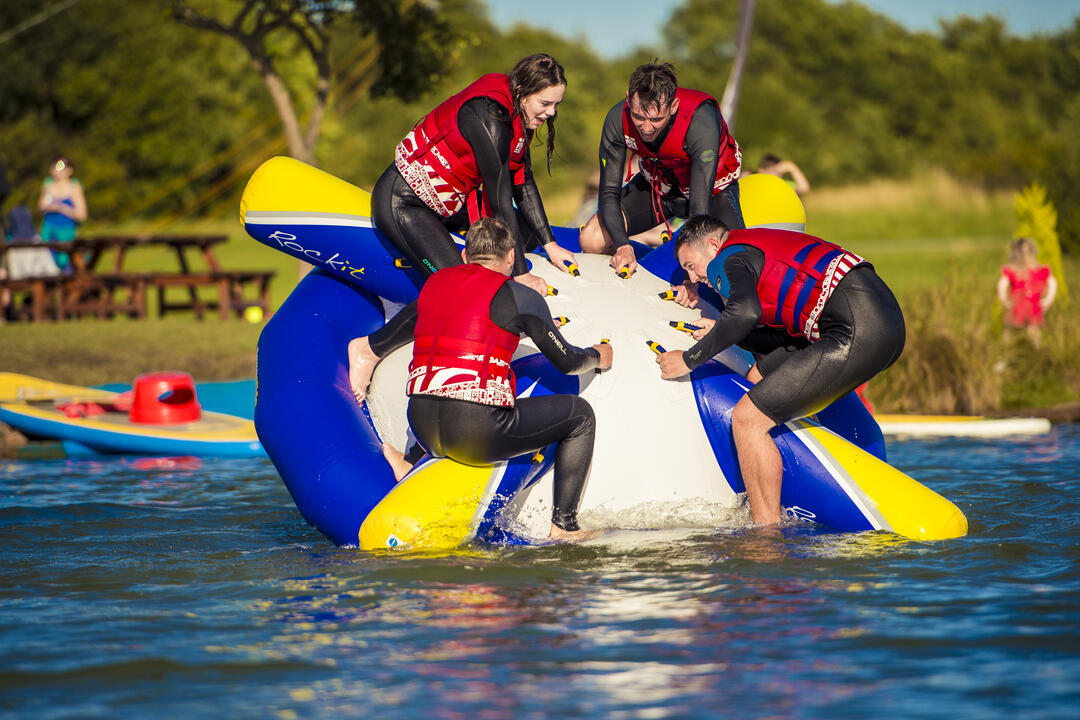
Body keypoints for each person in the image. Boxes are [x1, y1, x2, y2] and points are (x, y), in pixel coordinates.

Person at [348, 217, 613, 542]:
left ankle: (412, 461)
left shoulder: (433, 285)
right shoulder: (520, 297)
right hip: (476, 433)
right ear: (511, 257)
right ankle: (565, 527)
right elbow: (567, 361)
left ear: (465, 256)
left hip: (422, 428)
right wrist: (598, 354)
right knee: (580, 415)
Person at [655, 215, 905, 525]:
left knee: (747, 420)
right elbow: (772, 334)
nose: (693, 278)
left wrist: (689, 359)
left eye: (691, 265)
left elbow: (745, 312)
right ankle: (872, 496)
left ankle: (766, 536)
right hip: (884, 323)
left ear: (711, 244)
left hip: (856, 328)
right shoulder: (752, 251)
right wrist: (721, 328)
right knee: (757, 378)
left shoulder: (726, 258)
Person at [373, 53, 576, 296]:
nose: (552, 113)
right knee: (463, 289)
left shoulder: (520, 114)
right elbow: (500, 200)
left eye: (556, 105)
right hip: (405, 202)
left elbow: (524, 182)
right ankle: (371, 338)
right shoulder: (490, 120)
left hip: (449, 206)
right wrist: (522, 273)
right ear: (521, 91)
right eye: (545, 104)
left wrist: (549, 244)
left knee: (526, 234)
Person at [578, 61, 744, 296]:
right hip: (659, 185)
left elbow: (700, 204)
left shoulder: (701, 119)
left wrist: (691, 279)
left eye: (656, 120)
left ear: (674, 106)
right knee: (592, 239)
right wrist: (623, 245)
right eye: (638, 117)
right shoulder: (617, 118)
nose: (645, 128)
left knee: (733, 263)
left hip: (711, 190)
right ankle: (628, 279)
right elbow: (608, 193)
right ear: (628, 99)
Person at [997, 236, 1057, 347]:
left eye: (1028, 251)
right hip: (1016, 305)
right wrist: (1005, 301)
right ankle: (1005, 354)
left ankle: (1037, 354)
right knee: (1009, 331)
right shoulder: (1013, 270)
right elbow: (1002, 286)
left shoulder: (1040, 269)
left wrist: (1047, 301)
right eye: (1022, 252)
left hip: (1034, 306)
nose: (1025, 256)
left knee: (1033, 332)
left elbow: (1052, 284)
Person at [38, 156, 88, 271]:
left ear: (69, 170)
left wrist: (61, 208)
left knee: (68, 268)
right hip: (48, 235)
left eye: (60, 167)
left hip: (67, 235)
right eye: (55, 167)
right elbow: (40, 206)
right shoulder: (48, 184)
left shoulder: (74, 186)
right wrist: (49, 207)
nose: (57, 170)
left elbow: (82, 215)